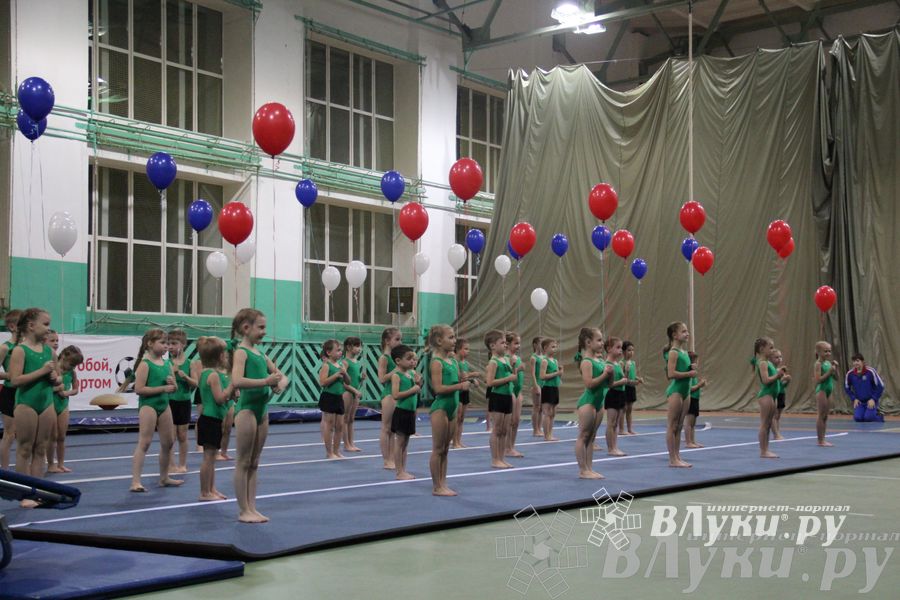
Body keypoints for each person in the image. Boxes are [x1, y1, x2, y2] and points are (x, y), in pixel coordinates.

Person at [231, 308, 288, 523]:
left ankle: (252, 507)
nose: (264, 332)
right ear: (246, 328)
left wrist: (278, 385)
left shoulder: (261, 354)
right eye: (261, 327)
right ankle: (243, 510)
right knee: (243, 461)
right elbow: (236, 380)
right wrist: (266, 381)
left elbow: (282, 376)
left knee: (254, 462)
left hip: (262, 411)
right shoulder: (241, 352)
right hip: (247, 410)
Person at [8, 308, 60, 506]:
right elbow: (15, 380)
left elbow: (58, 380)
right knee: (24, 449)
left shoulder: (50, 352)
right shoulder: (20, 351)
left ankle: (37, 492)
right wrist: (42, 371)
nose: (48, 329)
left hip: (46, 403)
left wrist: (55, 378)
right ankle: (23, 494)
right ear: (31, 326)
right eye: (45, 324)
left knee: (40, 448)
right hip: (26, 403)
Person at [129, 328, 182, 492]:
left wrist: (172, 383)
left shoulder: (167, 364)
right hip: (149, 406)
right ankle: (135, 481)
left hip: (164, 405)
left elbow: (175, 388)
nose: (166, 346)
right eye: (162, 343)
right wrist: (163, 388)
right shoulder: (145, 364)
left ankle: (164, 477)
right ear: (150, 344)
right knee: (144, 442)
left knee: (168, 442)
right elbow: (139, 389)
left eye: (168, 343)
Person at [196, 336, 235, 501]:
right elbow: (219, 399)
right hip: (210, 420)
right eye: (224, 354)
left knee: (211, 458)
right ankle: (204, 492)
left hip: (212, 419)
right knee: (208, 458)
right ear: (219, 357)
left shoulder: (207, 373)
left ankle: (211, 488)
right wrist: (232, 386)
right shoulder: (213, 375)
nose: (226, 356)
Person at [428, 324, 466, 496]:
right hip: (441, 408)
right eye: (450, 337)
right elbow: (438, 389)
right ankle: (437, 486)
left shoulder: (452, 361)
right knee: (438, 449)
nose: (454, 340)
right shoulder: (437, 362)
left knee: (446, 449)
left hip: (452, 408)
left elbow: (457, 380)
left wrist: (468, 380)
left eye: (454, 337)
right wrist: (460, 386)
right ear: (439, 340)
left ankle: (443, 482)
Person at [574, 327, 612, 479]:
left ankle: (589, 468)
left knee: (591, 437)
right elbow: (589, 384)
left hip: (599, 402)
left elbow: (609, 384)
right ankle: (583, 470)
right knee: (583, 435)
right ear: (588, 342)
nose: (602, 343)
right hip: (588, 402)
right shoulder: (586, 362)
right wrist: (605, 374)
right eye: (599, 340)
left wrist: (611, 374)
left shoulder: (600, 361)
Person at [484, 329, 518, 469]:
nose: (505, 345)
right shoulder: (493, 362)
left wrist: (514, 367)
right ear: (493, 346)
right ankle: (495, 459)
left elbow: (512, 377)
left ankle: (502, 458)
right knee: (497, 429)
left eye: (505, 343)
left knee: (505, 430)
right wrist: (508, 379)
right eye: (502, 343)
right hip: (497, 396)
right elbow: (490, 382)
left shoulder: (506, 360)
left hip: (507, 396)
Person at [664, 322, 696, 468]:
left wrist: (691, 368)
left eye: (687, 331)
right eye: (683, 331)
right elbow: (671, 374)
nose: (687, 333)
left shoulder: (684, 352)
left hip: (685, 392)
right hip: (676, 391)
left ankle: (677, 456)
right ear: (674, 335)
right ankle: (672, 459)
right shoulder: (674, 352)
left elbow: (683, 370)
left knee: (679, 425)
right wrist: (689, 373)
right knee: (672, 425)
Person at [47, 345, 83, 473]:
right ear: (63, 357)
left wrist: (66, 393)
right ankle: (51, 464)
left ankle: (61, 464)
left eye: (75, 366)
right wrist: (57, 389)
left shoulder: (72, 372)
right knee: (52, 437)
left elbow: (75, 390)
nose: (73, 367)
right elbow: (44, 388)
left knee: (61, 437)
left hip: (63, 405)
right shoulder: (52, 371)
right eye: (71, 364)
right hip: (50, 403)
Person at [167, 329, 197, 474]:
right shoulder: (167, 363)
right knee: (171, 437)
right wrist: (171, 373)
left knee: (183, 436)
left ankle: (183, 464)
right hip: (170, 402)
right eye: (169, 344)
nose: (170, 347)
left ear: (183, 345)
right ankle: (171, 464)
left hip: (184, 402)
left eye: (174, 343)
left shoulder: (190, 363)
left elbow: (195, 383)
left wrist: (184, 376)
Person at [390, 344, 421, 480]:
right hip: (401, 411)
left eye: (414, 359)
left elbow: (417, 388)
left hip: (410, 412)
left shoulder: (412, 374)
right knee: (400, 443)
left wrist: (418, 383)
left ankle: (403, 469)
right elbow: (395, 395)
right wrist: (413, 390)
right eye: (409, 359)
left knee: (406, 443)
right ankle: (399, 471)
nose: (413, 362)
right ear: (398, 361)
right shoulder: (396, 376)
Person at [752, 337, 786, 458]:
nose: (773, 350)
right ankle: (763, 451)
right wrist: (777, 375)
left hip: (772, 396)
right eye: (770, 348)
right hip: (766, 395)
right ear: (762, 349)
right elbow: (766, 380)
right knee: (764, 424)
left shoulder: (768, 363)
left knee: (768, 425)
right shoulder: (762, 363)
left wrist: (780, 375)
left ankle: (766, 450)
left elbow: (774, 379)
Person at [318, 339, 349, 460]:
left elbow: (348, 382)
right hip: (329, 396)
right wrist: (336, 375)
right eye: (338, 350)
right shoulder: (326, 365)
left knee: (340, 426)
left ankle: (337, 451)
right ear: (329, 352)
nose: (340, 352)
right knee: (329, 425)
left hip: (339, 397)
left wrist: (345, 373)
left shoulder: (341, 365)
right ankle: (329, 452)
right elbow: (322, 382)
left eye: (341, 350)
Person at [0, 309, 22, 470]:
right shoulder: (5, 348)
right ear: (12, 327)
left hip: (26, 393)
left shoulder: (27, 347)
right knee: (9, 434)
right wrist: (10, 375)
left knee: (25, 435)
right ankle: (5, 470)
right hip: (10, 392)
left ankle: (23, 468)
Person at [377, 327, 402, 469]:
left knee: (393, 429)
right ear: (387, 341)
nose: (400, 342)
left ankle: (392, 458)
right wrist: (396, 370)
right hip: (388, 394)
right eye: (397, 339)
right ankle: (386, 460)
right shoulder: (384, 358)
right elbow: (382, 379)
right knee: (386, 428)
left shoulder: (395, 357)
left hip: (397, 394)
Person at [451, 338, 480, 449]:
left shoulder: (465, 363)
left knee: (462, 418)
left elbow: (465, 376)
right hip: (457, 391)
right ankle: (454, 441)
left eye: (469, 349)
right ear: (458, 349)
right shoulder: (455, 361)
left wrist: (472, 380)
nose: (468, 351)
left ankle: (459, 440)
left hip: (465, 392)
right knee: (457, 417)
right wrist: (472, 376)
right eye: (466, 349)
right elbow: (460, 377)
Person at [603, 337, 629, 457]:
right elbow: (609, 384)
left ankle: (615, 446)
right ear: (609, 349)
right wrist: (622, 381)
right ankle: (611, 448)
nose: (620, 350)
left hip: (620, 393)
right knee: (611, 423)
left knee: (616, 423)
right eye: (618, 347)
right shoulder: (607, 365)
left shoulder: (617, 364)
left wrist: (626, 373)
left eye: (621, 348)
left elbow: (623, 379)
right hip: (612, 394)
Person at [844, 353, 885, 423]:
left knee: (868, 418)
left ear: (863, 362)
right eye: (854, 361)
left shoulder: (870, 371)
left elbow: (881, 386)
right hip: (860, 402)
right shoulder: (850, 374)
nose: (855, 363)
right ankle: (867, 413)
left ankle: (879, 415)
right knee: (858, 418)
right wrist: (854, 398)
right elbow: (846, 387)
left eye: (857, 361)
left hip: (871, 401)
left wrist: (873, 399)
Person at [341, 337, 365, 452]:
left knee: (351, 419)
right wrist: (354, 391)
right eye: (357, 346)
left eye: (360, 346)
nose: (359, 348)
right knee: (345, 418)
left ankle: (351, 443)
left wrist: (361, 379)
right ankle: (346, 444)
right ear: (348, 347)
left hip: (355, 392)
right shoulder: (345, 362)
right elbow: (343, 382)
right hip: (348, 392)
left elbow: (355, 380)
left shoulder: (356, 362)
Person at [814, 341, 839, 446]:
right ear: (819, 352)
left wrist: (835, 368)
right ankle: (820, 440)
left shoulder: (828, 363)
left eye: (829, 351)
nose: (828, 353)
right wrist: (829, 372)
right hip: (822, 390)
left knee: (825, 416)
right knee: (821, 415)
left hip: (829, 390)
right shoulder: (818, 364)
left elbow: (836, 378)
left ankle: (823, 439)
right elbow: (818, 380)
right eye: (825, 351)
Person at [538, 338, 562, 441]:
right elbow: (542, 376)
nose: (555, 349)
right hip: (547, 388)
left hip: (554, 387)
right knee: (547, 412)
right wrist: (556, 373)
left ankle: (550, 434)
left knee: (553, 413)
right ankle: (546, 435)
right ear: (545, 348)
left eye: (555, 347)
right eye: (552, 347)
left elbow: (557, 376)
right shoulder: (544, 361)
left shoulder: (555, 361)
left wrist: (560, 374)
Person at [505, 332, 525, 459]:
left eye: (519, 343)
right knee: (510, 421)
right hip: (510, 390)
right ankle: (507, 447)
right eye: (516, 343)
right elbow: (507, 374)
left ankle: (512, 446)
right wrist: (518, 369)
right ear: (507, 344)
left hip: (518, 391)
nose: (518, 346)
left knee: (516, 421)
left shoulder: (517, 358)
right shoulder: (506, 358)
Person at [683, 351, 707, 449]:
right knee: (689, 422)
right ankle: (688, 442)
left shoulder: (694, 374)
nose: (697, 363)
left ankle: (692, 441)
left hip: (695, 398)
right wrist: (699, 385)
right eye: (696, 361)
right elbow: (689, 388)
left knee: (693, 423)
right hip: (691, 398)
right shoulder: (689, 373)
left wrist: (700, 384)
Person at [619, 340, 642, 436]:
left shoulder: (633, 363)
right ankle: (621, 429)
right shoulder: (621, 363)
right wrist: (632, 381)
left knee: (629, 409)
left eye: (632, 350)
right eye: (629, 350)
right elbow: (622, 378)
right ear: (623, 351)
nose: (631, 352)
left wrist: (638, 379)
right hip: (624, 388)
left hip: (631, 388)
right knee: (623, 409)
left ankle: (629, 429)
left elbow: (634, 375)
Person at [770, 349, 791, 440]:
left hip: (781, 394)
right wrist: (781, 378)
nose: (779, 359)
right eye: (776, 357)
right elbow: (772, 382)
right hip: (774, 394)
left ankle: (777, 432)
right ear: (770, 359)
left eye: (780, 357)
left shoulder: (780, 370)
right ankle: (776, 434)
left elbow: (782, 385)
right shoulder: (771, 370)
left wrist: (787, 381)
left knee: (778, 416)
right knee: (774, 415)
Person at [529, 337, 544, 437]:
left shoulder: (544, 357)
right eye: (540, 343)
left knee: (542, 408)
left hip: (544, 384)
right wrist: (536, 386)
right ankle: (535, 430)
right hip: (537, 383)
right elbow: (532, 373)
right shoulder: (533, 358)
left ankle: (540, 428)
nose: (542, 346)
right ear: (535, 345)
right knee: (536, 407)